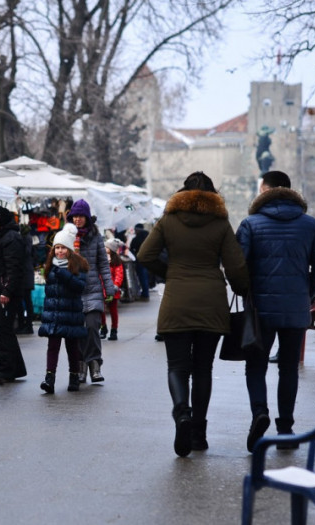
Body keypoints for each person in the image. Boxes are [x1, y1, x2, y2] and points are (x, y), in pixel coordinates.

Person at [137, 172, 249, 457]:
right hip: (211, 302)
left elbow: (145, 255)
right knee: (203, 369)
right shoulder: (220, 223)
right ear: (213, 194)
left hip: (177, 301)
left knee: (177, 366)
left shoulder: (169, 220)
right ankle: (198, 434)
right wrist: (242, 288)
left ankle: (181, 413)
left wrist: (170, 274)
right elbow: (235, 266)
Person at [236, 170, 315, 452]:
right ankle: (286, 428)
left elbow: (238, 266)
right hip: (295, 309)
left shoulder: (250, 224)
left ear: (265, 191)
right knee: (289, 368)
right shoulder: (310, 225)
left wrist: (247, 292)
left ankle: (259, 413)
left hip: (260, 310)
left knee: (256, 365)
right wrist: (306, 291)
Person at [65, 199, 117, 383]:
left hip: (93, 289)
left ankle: (95, 365)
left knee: (93, 327)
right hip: (74, 290)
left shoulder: (95, 237)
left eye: (81, 216)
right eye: (75, 216)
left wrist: (109, 287)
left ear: (87, 217)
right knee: (78, 330)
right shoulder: (66, 235)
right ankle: (81, 367)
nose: (77, 219)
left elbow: (103, 264)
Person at [38, 223, 89, 394]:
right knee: (52, 347)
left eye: (63, 248)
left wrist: (65, 275)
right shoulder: (50, 266)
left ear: (69, 249)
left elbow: (80, 287)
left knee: (72, 348)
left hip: (71, 314)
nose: (60, 251)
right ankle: (49, 379)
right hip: (54, 314)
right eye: (57, 248)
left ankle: (74, 376)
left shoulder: (79, 265)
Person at [0, 205, 28, 381]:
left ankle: (6, 370)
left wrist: (6, 291)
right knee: (5, 331)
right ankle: (14, 368)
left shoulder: (10, 238)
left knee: (4, 332)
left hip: (5, 293)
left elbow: (13, 268)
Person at [101, 240, 125, 341]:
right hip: (101, 288)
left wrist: (115, 286)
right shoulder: (101, 259)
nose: (104, 248)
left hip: (112, 289)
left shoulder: (116, 262)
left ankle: (114, 329)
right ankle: (103, 327)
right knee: (101, 309)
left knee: (113, 310)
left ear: (112, 250)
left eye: (106, 247)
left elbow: (119, 275)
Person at [15, 225, 36, 335]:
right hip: (26, 272)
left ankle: (26, 325)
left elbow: (26, 253)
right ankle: (25, 325)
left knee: (24, 300)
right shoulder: (27, 237)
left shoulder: (25, 238)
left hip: (25, 273)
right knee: (25, 300)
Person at [130, 223, 151, 299]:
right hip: (149, 259)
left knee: (142, 276)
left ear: (137, 230)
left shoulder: (136, 239)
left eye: (135, 230)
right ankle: (146, 291)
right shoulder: (149, 237)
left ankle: (145, 294)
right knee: (146, 276)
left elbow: (132, 248)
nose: (135, 232)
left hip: (140, 259)